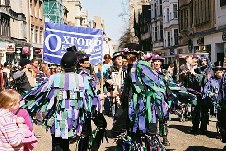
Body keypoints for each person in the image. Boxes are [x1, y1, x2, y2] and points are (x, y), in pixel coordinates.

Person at [112, 43, 167, 150]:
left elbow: (155, 84)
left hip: (140, 105)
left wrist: (161, 101)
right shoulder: (129, 67)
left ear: (136, 54)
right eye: (126, 54)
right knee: (131, 132)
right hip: (129, 104)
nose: (127, 56)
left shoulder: (141, 66)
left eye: (129, 53)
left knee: (126, 131)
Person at [76, 52, 107, 151]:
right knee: (101, 124)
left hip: (85, 106)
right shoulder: (83, 75)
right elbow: (87, 93)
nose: (88, 62)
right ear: (80, 63)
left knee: (86, 131)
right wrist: (99, 97)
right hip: (88, 105)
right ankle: (93, 148)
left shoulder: (82, 73)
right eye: (86, 60)